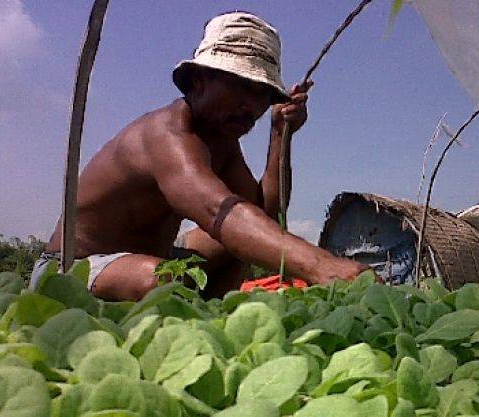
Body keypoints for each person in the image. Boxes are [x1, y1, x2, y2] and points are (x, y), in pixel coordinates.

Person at [30, 12, 368, 300]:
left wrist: (281, 135)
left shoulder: (222, 142)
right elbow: (217, 210)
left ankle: (212, 321)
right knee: (162, 281)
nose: (252, 106)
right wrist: (322, 266)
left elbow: (265, 216)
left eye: (262, 94)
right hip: (73, 269)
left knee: (248, 242)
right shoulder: (166, 134)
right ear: (200, 80)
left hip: (152, 258)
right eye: (240, 85)